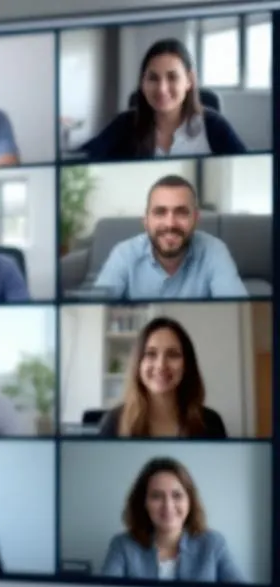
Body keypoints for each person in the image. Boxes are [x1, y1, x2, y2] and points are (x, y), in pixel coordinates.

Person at [79, 38, 246, 160]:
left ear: (189, 81)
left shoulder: (213, 125)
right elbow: (81, 158)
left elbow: (247, 167)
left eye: (172, 77)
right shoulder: (124, 124)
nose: (161, 89)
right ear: (142, 82)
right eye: (153, 78)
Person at [90, 175, 248, 300]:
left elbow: (236, 301)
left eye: (181, 212)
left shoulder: (214, 250)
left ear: (196, 219)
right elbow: (96, 305)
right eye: (160, 212)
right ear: (146, 220)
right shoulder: (123, 253)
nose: (170, 224)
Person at [100, 457, 243, 583]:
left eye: (177, 495)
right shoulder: (122, 546)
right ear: (143, 503)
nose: (168, 506)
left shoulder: (213, 544)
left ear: (190, 501)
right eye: (156, 496)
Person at [97, 316, 227, 438]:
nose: (161, 365)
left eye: (173, 354)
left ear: (187, 365)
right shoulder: (113, 423)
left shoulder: (211, 423)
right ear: (138, 364)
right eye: (151, 354)